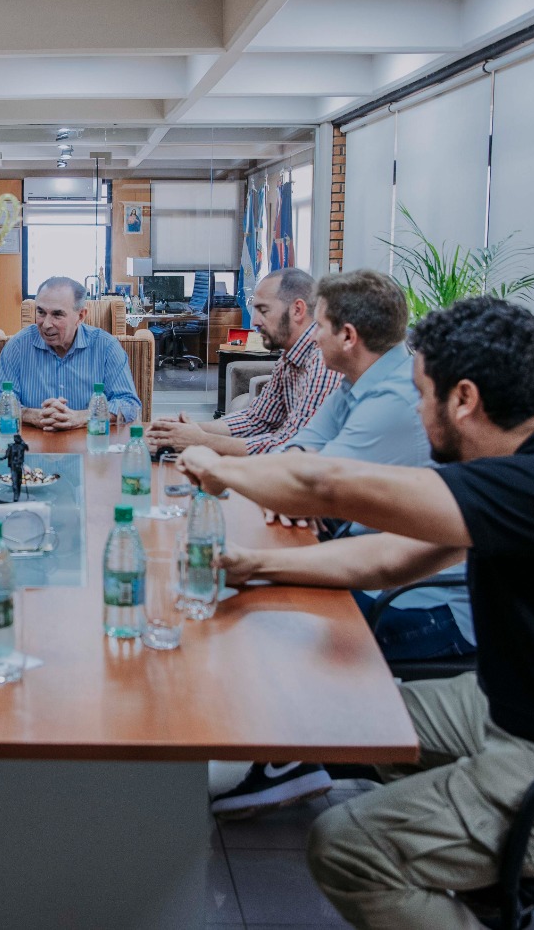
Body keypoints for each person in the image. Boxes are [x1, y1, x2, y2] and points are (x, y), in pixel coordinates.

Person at [180, 297, 534, 930]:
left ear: (465, 399)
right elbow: (393, 559)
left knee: (348, 848)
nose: (418, 416)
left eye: (423, 396)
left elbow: (322, 487)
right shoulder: (533, 464)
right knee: (369, 721)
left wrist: (220, 466)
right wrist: (261, 568)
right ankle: (478, 882)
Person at [208, 270, 474, 818]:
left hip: (430, 607)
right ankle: (282, 752)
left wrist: (221, 469)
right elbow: (301, 456)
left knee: (272, 616)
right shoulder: (359, 385)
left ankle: (292, 757)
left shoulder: (398, 398)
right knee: (262, 593)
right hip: (383, 565)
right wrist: (294, 490)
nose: (315, 338)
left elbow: (316, 485)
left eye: (322, 326)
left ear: (347, 335)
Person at [147, 267, 339, 455]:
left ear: (297, 310)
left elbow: (292, 447)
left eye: (263, 311)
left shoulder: (323, 362)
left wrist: (202, 440)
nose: (254, 321)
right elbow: (256, 419)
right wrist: (190, 428)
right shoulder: (290, 357)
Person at [0, 275, 140, 431]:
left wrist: (82, 417)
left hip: (90, 446)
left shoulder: (106, 347)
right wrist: (30, 415)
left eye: (57, 314)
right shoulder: (18, 346)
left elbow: (129, 404)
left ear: (81, 316)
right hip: (32, 447)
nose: (46, 324)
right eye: (41, 312)